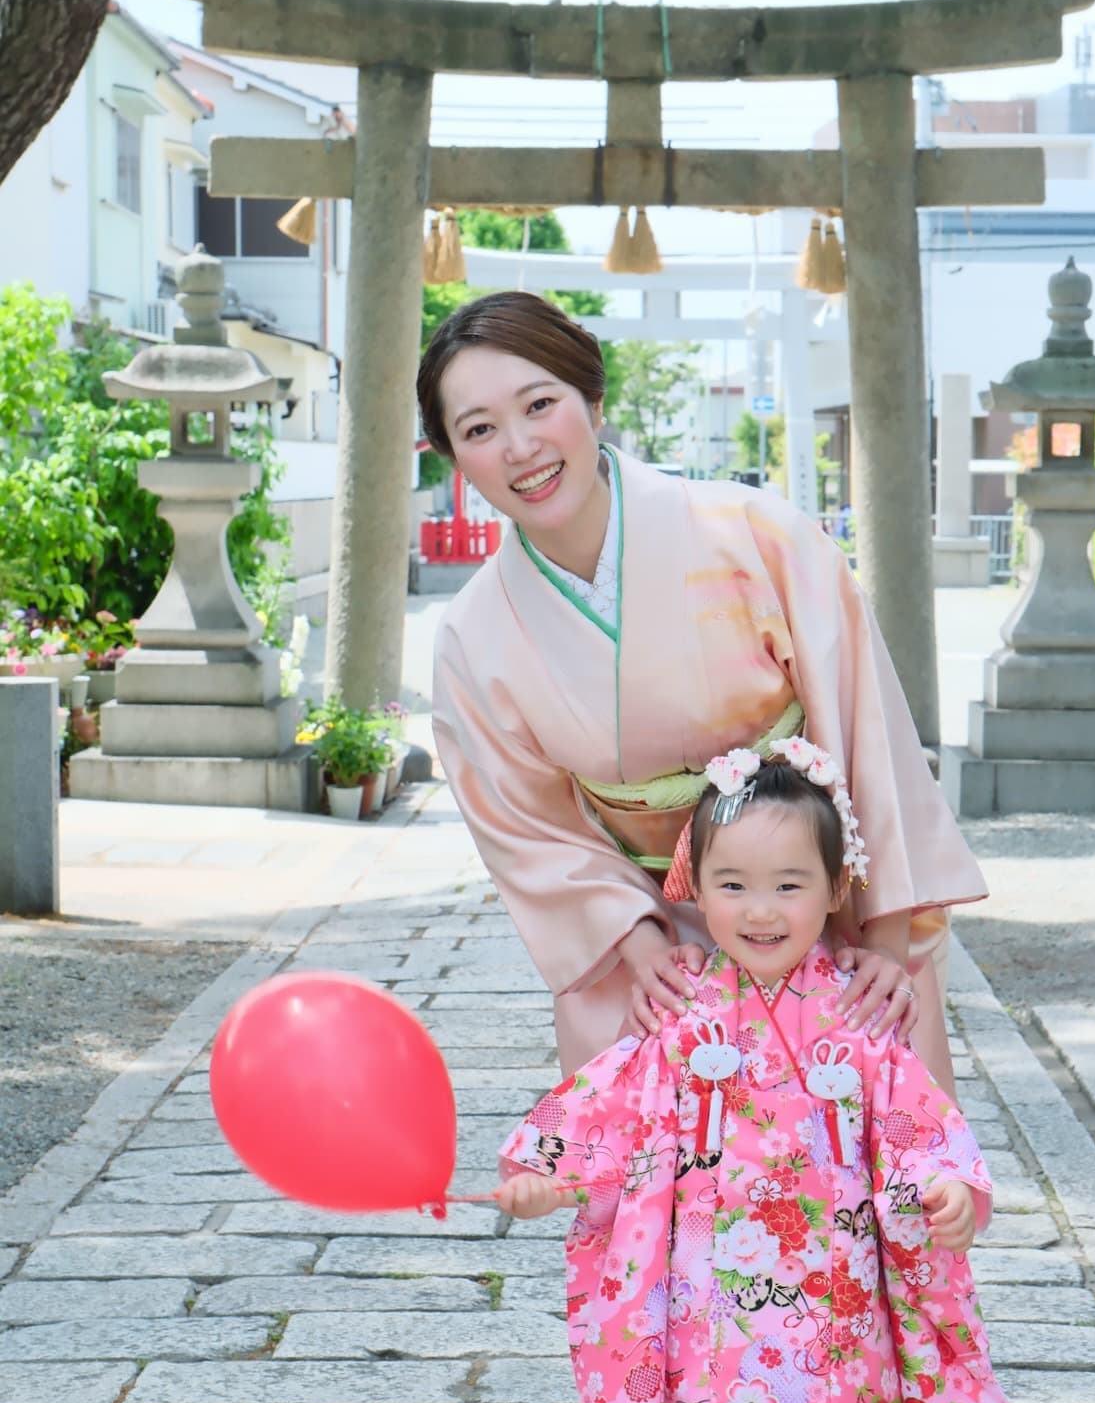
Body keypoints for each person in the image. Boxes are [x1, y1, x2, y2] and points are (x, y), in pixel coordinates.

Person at [487, 743, 1008, 1403]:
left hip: (829, 1326)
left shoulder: (856, 1020)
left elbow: (918, 1127)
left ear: (831, 890)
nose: (759, 909)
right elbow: (610, 1112)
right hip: (707, 1325)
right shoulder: (678, 1012)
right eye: (731, 883)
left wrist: (949, 1189)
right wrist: (550, 1170)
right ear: (692, 887)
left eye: (787, 883)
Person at [418, 291, 986, 1101]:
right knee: (671, 1187)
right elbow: (530, 830)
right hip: (648, 940)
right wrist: (640, 948)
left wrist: (885, 942)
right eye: (478, 430)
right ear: (453, 456)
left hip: (817, 907)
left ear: (593, 399)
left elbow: (870, 738)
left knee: (866, 1173)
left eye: (540, 404)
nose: (520, 448)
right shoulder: (473, 635)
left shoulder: (759, 534)